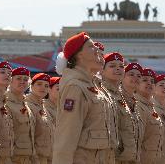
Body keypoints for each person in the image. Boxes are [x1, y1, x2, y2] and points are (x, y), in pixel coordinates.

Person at [52, 32, 118, 164]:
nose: (97, 50)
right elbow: (67, 134)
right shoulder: (75, 87)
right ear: (79, 54)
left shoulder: (91, 85)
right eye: (91, 46)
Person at [101, 52, 139, 164]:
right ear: (102, 71)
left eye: (121, 66)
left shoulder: (121, 96)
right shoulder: (100, 93)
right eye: (112, 66)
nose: (118, 69)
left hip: (125, 158)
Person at [5, 67, 36, 164]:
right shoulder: (5, 102)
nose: (22, 82)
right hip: (12, 158)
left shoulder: (26, 104)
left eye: (25, 79)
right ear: (10, 81)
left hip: (27, 158)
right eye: (18, 78)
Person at [135, 68, 164, 164]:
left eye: (152, 81)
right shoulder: (136, 105)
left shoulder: (152, 108)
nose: (149, 83)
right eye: (144, 80)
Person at [26, 73, 54, 164]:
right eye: (39, 84)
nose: (43, 88)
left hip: (47, 157)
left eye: (46, 85)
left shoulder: (43, 107)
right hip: (33, 158)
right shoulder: (27, 105)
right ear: (31, 86)